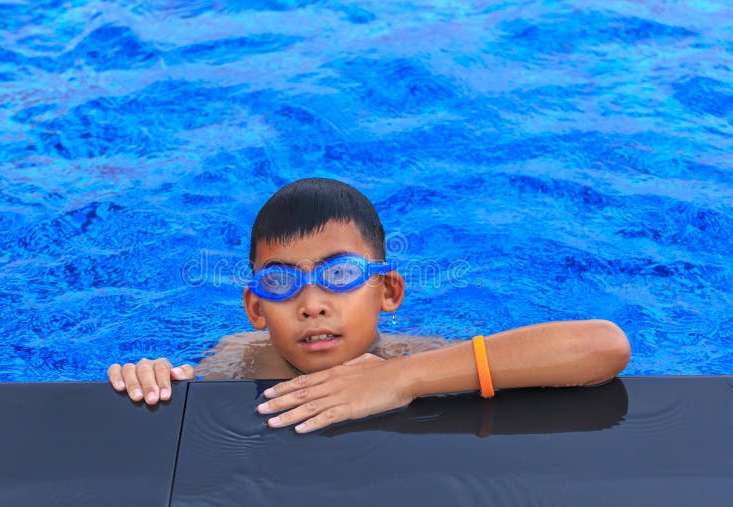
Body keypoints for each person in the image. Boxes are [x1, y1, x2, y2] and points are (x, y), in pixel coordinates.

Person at [108, 178, 630, 433]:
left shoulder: (415, 357)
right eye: (281, 281)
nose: (311, 303)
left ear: (388, 292)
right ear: (256, 307)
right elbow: (182, 398)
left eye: (339, 275)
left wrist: (395, 380)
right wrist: (152, 379)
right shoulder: (241, 357)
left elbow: (603, 345)